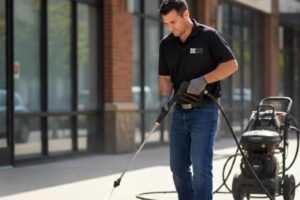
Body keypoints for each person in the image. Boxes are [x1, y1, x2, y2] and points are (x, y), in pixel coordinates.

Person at [158, 0, 238, 200]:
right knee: (177, 168)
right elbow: (165, 78)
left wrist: (204, 80)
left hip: (205, 111)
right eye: (167, 23)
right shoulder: (166, 44)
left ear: (186, 14)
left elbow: (231, 64)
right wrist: (165, 96)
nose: (170, 27)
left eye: (173, 22)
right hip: (179, 113)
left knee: (201, 168)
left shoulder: (208, 36)